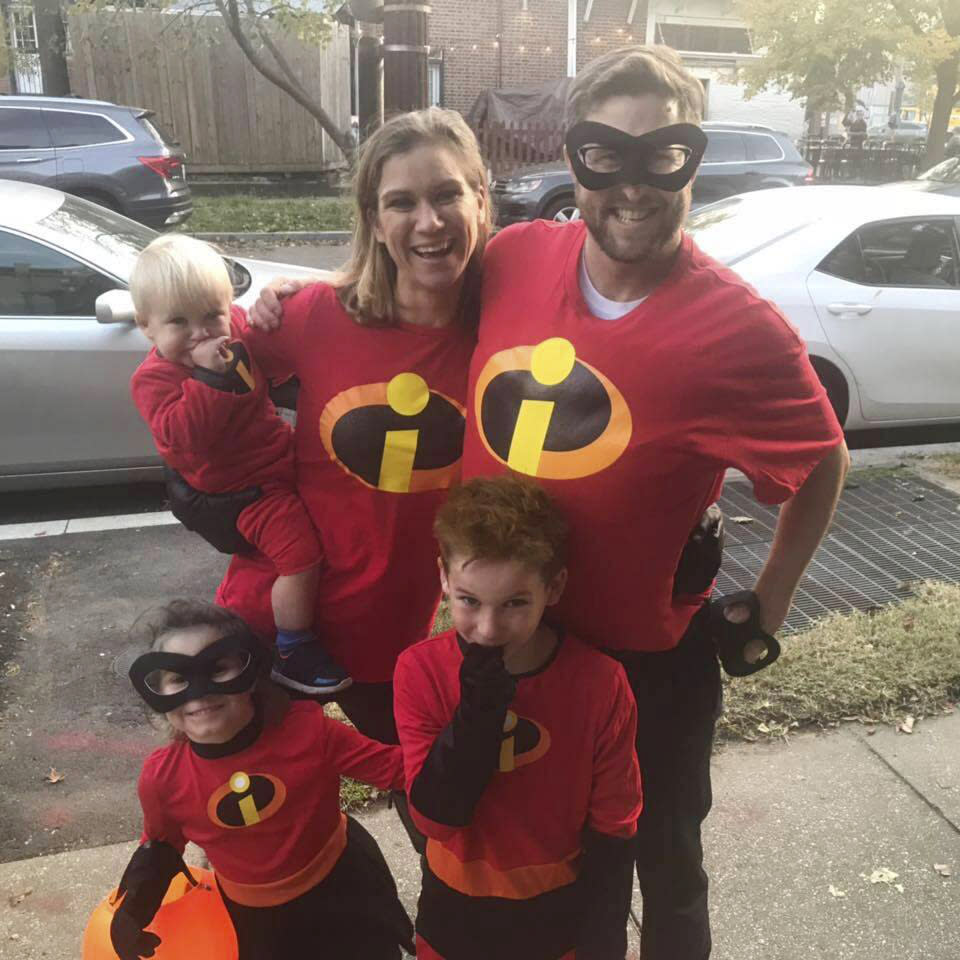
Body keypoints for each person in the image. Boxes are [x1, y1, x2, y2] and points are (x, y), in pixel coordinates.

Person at [459, 45, 850, 959]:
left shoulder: (738, 329)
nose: (631, 188)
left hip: (645, 668)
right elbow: (408, 303)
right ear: (574, 159)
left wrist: (774, 598)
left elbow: (823, 459)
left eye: (662, 156)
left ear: (694, 159)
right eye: (606, 156)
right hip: (504, 645)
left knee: (664, 860)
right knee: (539, 856)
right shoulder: (515, 259)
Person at [218, 107, 490, 746]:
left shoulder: (506, 328)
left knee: (432, 802)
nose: (428, 222)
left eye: (447, 193)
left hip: (389, 635)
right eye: (401, 202)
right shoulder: (315, 314)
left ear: (481, 198)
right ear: (374, 219)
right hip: (276, 618)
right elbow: (185, 355)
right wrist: (204, 482)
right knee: (257, 809)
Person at [393, 476, 643, 960]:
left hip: (555, 910)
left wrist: (604, 935)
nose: (487, 630)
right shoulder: (419, 671)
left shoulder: (600, 682)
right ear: (443, 577)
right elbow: (434, 818)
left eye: (514, 603)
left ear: (554, 587)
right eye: (468, 600)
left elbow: (616, 822)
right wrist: (477, 713)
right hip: (454, 906)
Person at [110, 599, 413, 960]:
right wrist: (134, 908)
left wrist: (464, 753)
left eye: (217, 668)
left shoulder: (308, 730)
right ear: (156, 693)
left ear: (251, 674)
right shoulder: (163, 778)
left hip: (345, 888)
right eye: (178, 678)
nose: (200, 692)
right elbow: (160, 845)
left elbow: (400, 769)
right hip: (254, 920)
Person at [129, 234, 350, 695]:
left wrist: (281, 296)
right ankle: (292, 648)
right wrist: (210, 378)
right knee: (300, 557)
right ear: (146, 326)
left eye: (212, 314)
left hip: (279, 456)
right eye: (178, 322)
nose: (202, 333)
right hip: (245, 491)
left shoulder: (233, 330)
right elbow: (181, 439)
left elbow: (267, 340)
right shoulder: (155, 379)